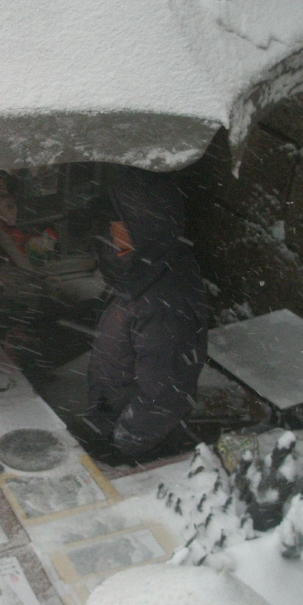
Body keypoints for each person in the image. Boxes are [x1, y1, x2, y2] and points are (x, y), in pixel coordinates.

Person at [83, 167, 207, 464]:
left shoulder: (165, 301)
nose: (112, 237)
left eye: (119, 229)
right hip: (112, 416)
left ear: (146, 229)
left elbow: (164, 395)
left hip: (144, 445)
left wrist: (122, 445)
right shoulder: (144, 269)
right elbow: (122, 330)